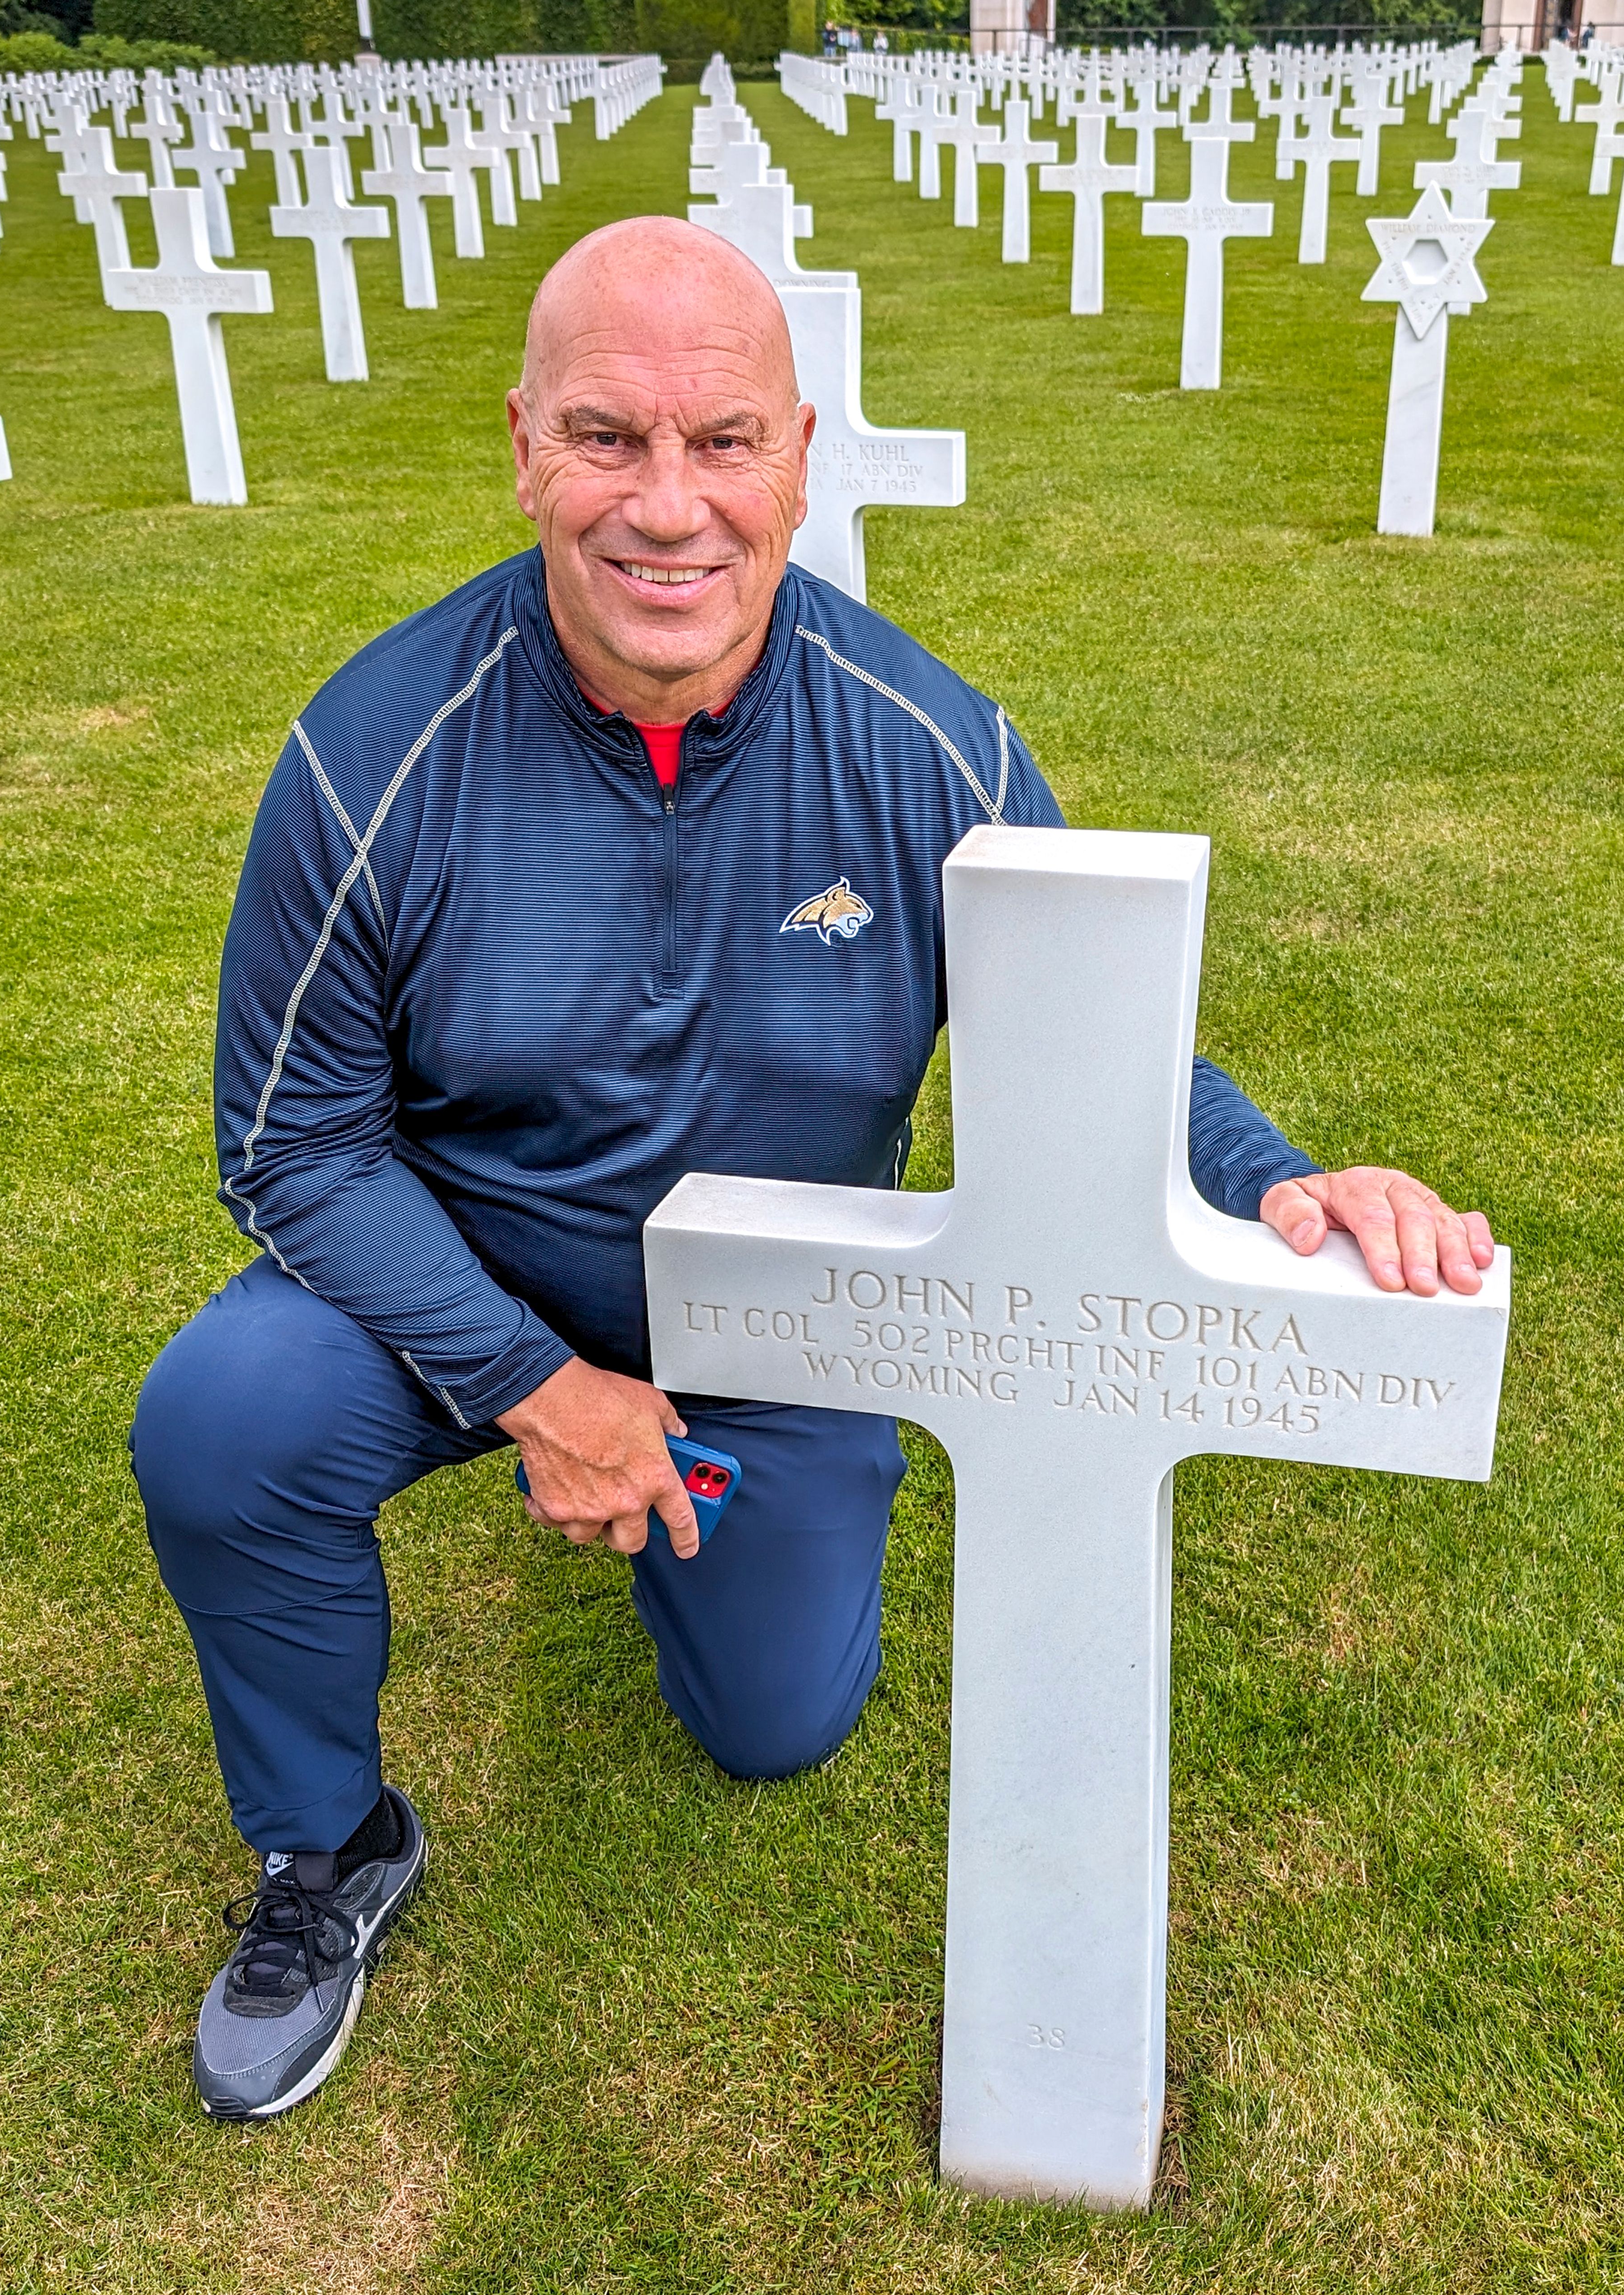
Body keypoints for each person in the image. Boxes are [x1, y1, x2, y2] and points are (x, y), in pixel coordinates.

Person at [131, 217, 1495, 2122]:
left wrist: (1285, 1184)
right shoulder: (378, 754)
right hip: (474, 1282)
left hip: (795, 1317)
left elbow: (1108, 1047)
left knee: (776, 1725)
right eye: (609, 439)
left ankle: (693, 1518)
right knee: (221, 1420)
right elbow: (291, 1141)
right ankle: (325, 1849)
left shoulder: (926, 745)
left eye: (724, 442)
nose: (668, 509)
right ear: (524, 445)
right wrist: (542, 1390)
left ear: (800, 454)